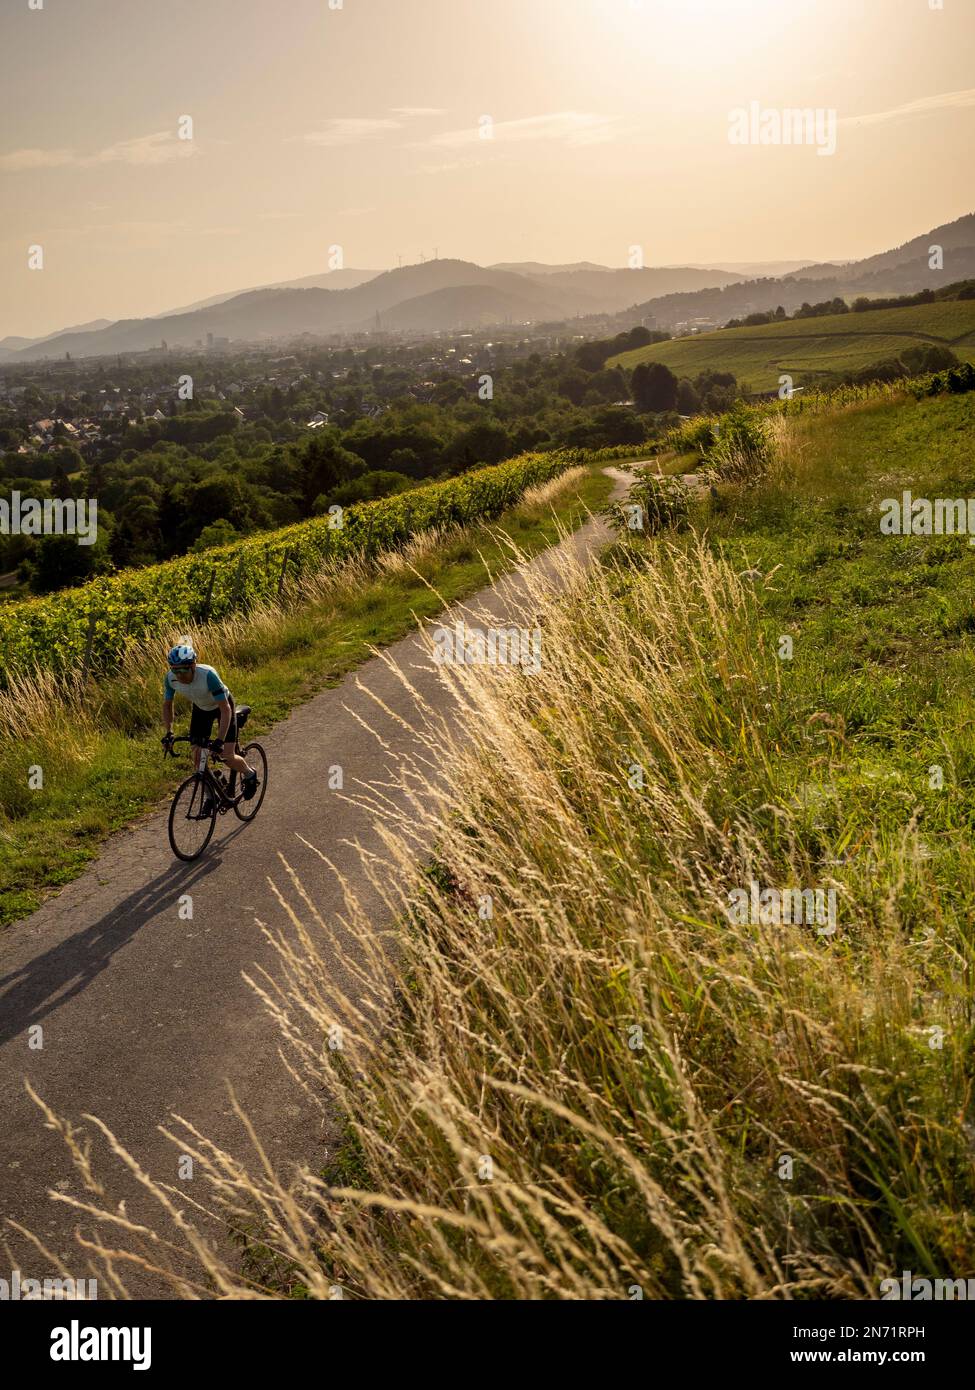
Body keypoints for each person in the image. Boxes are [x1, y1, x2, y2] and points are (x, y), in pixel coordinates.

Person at [161, 641, 258, 801]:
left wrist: (219, 740)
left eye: (184, 669)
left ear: (193, 665)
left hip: (222, 706)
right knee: (198, 758)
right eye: (175, 670)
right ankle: (211, 797)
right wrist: (169, 732)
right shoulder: (170, 679)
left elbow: (225, 709)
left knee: (227, 756)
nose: (180, 675)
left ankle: (250, 774)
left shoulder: (207, 675)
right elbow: (167, 705)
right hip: (201, 709)